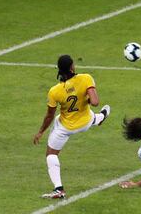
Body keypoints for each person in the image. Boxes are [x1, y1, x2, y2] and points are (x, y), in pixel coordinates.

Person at [33, 54, 111, 199]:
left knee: (51, 154)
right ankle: (100, 117)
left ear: (59, 70)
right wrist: (85, 99)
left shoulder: (55, 91)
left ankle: (59, 189)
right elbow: (95, 102)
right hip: (85, 122)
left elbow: (49, 115)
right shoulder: (86, 78)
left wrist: (40, 132)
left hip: (66, 128)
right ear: (72, 67)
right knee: (92, 117)